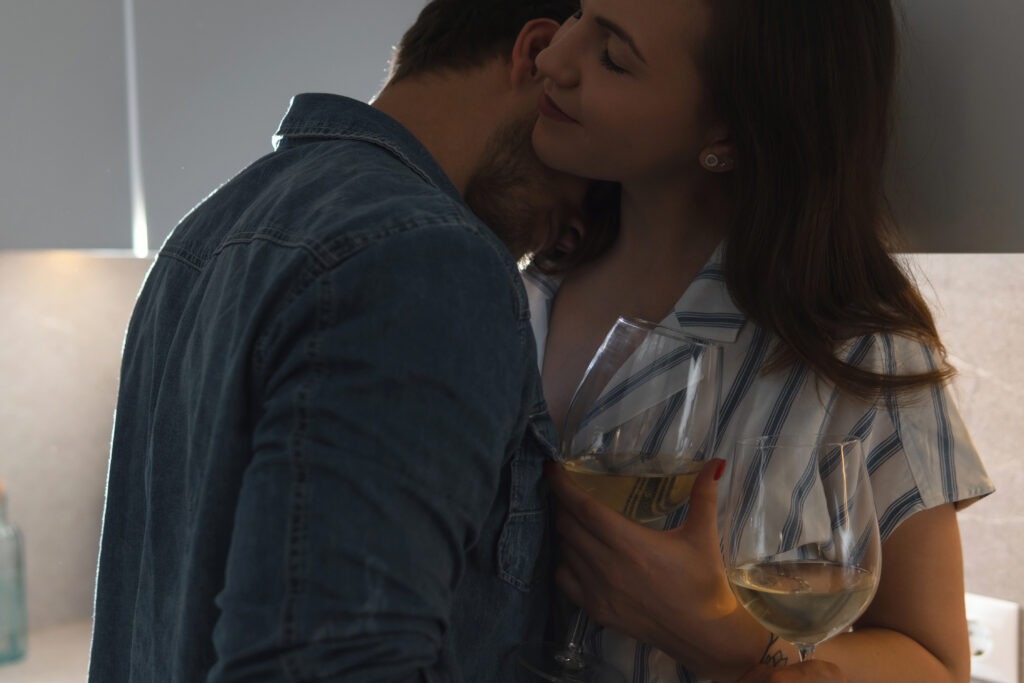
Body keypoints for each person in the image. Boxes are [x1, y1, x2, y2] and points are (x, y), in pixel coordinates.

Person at [87, 1, 589, 681]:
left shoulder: (206, 231)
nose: (567, 236)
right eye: (590, 190)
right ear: (536, 56)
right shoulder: (429, 258)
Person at [522, 1, 995, 682]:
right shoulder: (513, 279)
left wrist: (729, 640)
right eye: (577, 14)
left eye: (613, 55)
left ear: (732, 130)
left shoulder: (854, 348)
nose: (552, 58)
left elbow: (938, 662)